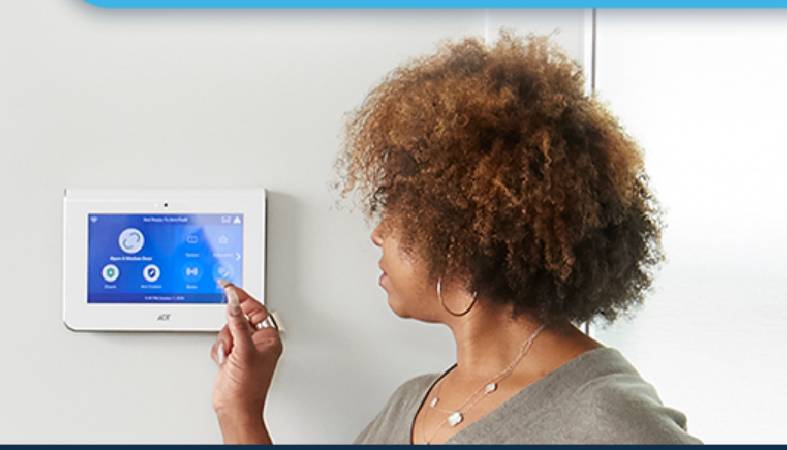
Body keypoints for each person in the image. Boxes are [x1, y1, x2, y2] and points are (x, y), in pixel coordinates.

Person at [208, 32, 702, 445]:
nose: (378, 233)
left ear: (460, 226)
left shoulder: (609, 420)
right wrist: (239, 409)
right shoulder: (411, 405)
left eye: (394, 206)